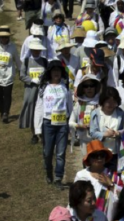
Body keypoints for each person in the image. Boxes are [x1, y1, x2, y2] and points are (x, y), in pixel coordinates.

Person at [34, 60, 73, 189]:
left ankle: (58, 178)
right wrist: (38, 128)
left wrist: (71, 124)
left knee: (60, 153)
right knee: (47, 152)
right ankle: (48, 172)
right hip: (48, 123)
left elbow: (70, 106)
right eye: (54, 70)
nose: (56, 73)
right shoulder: (44, 87)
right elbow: (39, 107)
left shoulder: (66, 87)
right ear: (49, 73)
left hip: (62, 123)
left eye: (58, 70)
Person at [74, 140, 119, 221]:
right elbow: (75, 198)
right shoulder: (81, 175)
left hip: (107, 220)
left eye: (102, 155)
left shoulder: (113, 176)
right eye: (95, 156)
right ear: (89, 158)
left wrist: (111, 184)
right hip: (85, 219)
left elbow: (122, 198)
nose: (99, 158)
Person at [0, 26, 21, 125]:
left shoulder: (12, 47)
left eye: (6, 37)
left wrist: (21, 72)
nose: (4, 39)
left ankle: (6, 112)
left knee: (7, 94)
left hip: (8, 75)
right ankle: (1, 112)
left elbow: (17, 61)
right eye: (2, 37)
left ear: (9, 37)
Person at [19, 37, 49, 145]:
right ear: (31, 50)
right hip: (30, 90)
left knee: (43, 111)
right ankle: (34, 134)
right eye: (35, 50)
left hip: (43, 90)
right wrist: (32, 80)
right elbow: (22, 76)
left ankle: (42, 132)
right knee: (31, 110)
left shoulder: (44, 62)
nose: (37, 52)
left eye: (38, 50)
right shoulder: (26, 61)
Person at [89, 87, 124, 157]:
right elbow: (92, 132)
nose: (111, 105)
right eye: (108, 102)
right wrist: (104, 134)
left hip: (116, 152)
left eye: (114, 102)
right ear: (103, 101)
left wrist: (118, 133)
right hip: (100, 152)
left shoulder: (121, 114)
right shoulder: (95, 113)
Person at [70, 74, 101, 153]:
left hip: (100, 140)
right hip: (84, 140)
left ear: (96, 87)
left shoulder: (101, 103)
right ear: (83, 89)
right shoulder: (79, 104)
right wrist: (79, 126)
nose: (89, 88)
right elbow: (70, 122)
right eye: (86, 86)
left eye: (92, 85)